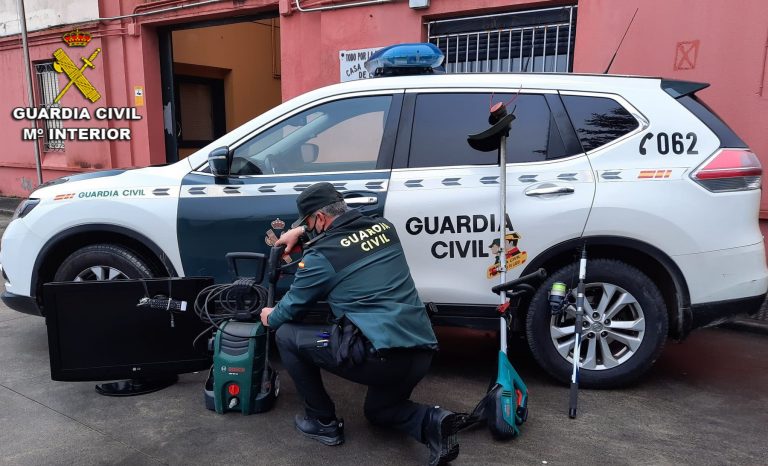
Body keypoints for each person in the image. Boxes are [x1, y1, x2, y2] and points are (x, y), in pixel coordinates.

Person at [260, 182, 461, 465]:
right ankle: (433, 421)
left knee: (287, 335)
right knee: (379, 412)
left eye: (308, 222)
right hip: (420, 353)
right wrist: (302, 231)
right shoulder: (385, 228)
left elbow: (288, 311)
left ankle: (322, 421)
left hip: (376, 357)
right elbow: (346, 229)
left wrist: (269, 315)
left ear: (319, 218)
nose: (309, 228)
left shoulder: (320, 258)